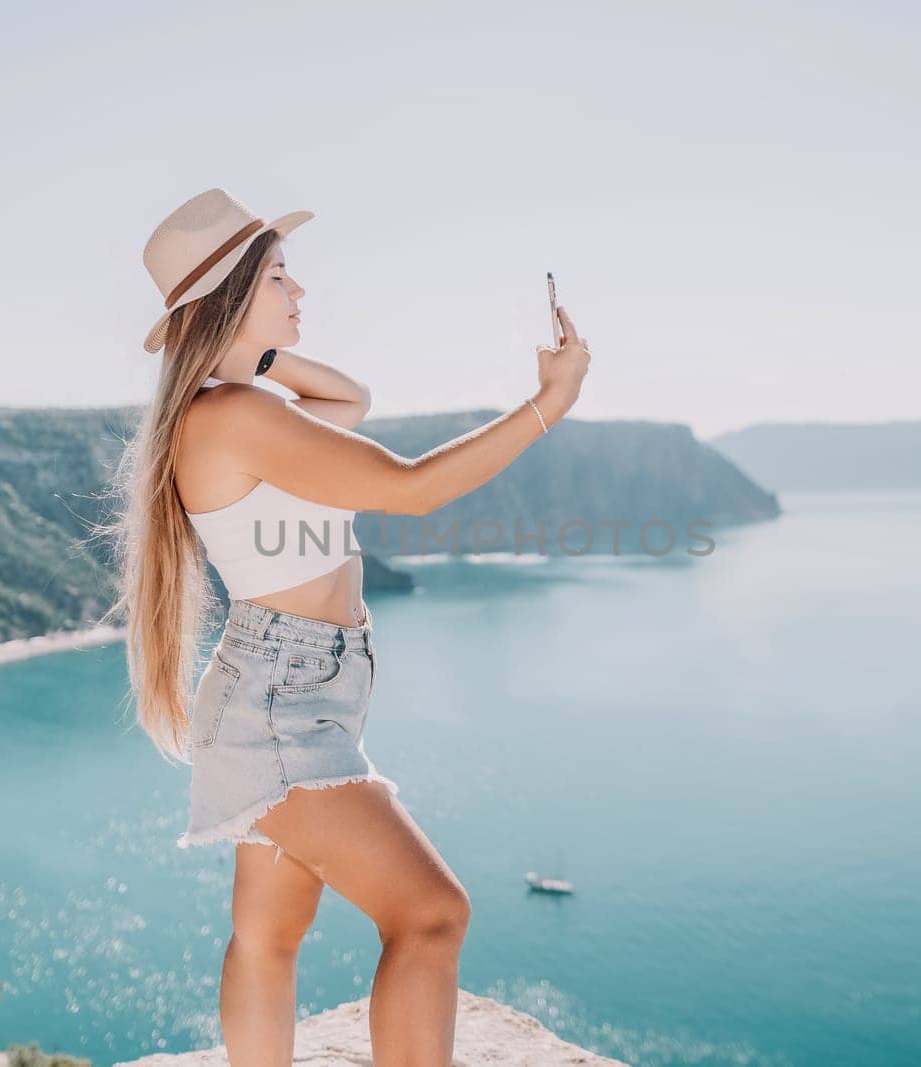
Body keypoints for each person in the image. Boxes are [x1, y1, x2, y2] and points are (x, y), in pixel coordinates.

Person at [99, 187, 590, 1065]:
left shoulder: (232, 412)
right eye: (280, 275)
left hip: (283, 687)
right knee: (432, 914)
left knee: (268, 936)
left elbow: (350, 395)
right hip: (281, 703)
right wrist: (548, 402)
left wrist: (240, 347)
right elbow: (413, 487)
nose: (300, 294)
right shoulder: (237, 415)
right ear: (230, 295)